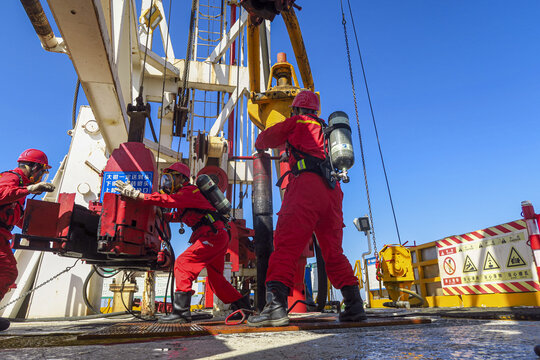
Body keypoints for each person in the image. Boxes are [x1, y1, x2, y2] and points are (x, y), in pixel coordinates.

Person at [247, 90, 367, 327]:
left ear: (297, 109)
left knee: (285, 246)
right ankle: (354, 305)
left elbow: (263, 141)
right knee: (333, 253)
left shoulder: (296, 122)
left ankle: (276, 308)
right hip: (332, 192)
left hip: (306, 189)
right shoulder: (328, 132)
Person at [114, 162, 251, 323]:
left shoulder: (189, 191)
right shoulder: (186, 195)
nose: (166, 182)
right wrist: (163, 216)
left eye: (170, 178)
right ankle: (243, 307)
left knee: (182, 264)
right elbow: (181, 215)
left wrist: (139, 195)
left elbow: (168, 201)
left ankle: (181, 313)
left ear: (180, 178)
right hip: (216, 235)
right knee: (216, 279)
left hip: (211, 236)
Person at [0, 149, 56, 331]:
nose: (41, 176)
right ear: (34, 167)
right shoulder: (12, 179)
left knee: (7, 274)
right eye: (42, 171)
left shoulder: (20, 189)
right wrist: (30, 189)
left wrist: (48, 231)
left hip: (3, 235)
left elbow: (16, 218)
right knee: (7, 272)